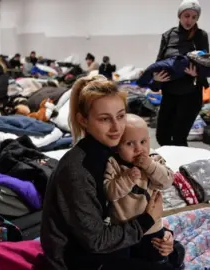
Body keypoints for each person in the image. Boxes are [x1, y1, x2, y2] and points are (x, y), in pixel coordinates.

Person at [40, 75, 176, 270]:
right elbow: (95, 241)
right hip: (76, 259)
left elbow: (128, 207)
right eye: (104, 119)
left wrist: (162, 233)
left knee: (172, 251)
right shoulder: (77, 170)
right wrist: (146, 221)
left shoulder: (116, 150)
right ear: (83, 120)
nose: (116, 128)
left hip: (109, 243)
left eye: (121, 116)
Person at [104, 114, 174, 264]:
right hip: (123, 230)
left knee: (160, 259)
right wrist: (127, 178)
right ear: (116, 147)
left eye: (143, 142)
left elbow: (167, 181)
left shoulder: (154, 159)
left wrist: (150, 165)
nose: (139, 149)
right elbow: (109, 193)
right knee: (120, 263)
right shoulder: (114, 164)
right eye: (130, 144)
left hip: (152, 229)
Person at [152, 0, 210, 147]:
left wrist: (196, 73)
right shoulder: (168, 35)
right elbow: (159, 61)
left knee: (179, 138)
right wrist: (156, 78)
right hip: (170, 92)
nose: (189, 20)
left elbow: (207, 64)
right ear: (180, 15)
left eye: (194, 17)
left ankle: (179, 169)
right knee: (162, 136)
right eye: (186, 15)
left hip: (191, 93)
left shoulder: (201, 36)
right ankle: (168, 168)